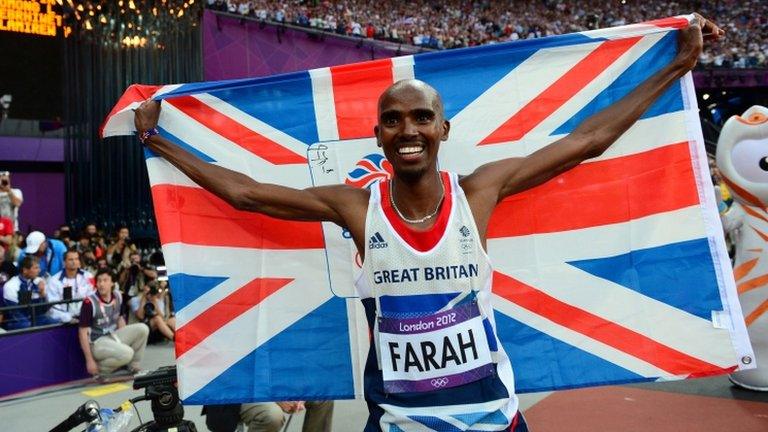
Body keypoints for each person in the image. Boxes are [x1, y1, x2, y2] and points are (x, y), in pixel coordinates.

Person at [135, 15, 723, 431]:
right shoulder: (356, 208)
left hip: (491, 417)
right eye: (393, 120)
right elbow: (245, 194)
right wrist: (157, 138)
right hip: (398, 422)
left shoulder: (481, 192)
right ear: (379, 136)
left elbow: (589, 139)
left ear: (443, 129)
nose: (408, 129)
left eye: (422, 117)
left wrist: (677, 68)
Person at [78, 268, 149, 376]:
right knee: (128, 352)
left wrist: (124, 341)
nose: (101, 284)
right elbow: (82, 332)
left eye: (105, 280)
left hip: (113, 336)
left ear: (112, 283)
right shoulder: (89, 302)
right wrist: (89, 360)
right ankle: (101, 371)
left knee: (143, 328)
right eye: (99, 281)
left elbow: (120, 318)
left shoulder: (118, 296)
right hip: (97, 342)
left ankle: (133, 366)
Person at [2, 256, 58, 330]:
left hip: (33, 318)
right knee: (28, 326)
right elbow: (15, 313)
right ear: (25, 270)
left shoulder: (38, 281)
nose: (39, 270)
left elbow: (43, 310)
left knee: (53, 322)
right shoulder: (11, 286)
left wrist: (42, 294)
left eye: (39, 268)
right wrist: (32, 325)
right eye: (35, 268)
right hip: (15, 322)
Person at [47, 250, 95, 324]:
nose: (74, 262)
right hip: (64, 322)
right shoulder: (54, 280)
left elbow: (93, 296)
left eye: (76, 259)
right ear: (64, 262)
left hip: (87, 317)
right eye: (70, 259)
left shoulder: (88, 276)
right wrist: (68, 318)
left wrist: (86, 314)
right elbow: (53, 305)